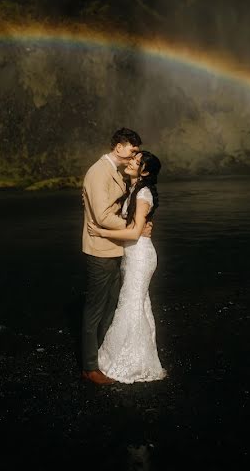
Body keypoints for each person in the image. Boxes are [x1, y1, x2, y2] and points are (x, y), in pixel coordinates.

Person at [87, 151, 167, 384]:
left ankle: (127, 362)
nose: (131, 162)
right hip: (132, 255)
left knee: (129, 305)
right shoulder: (131, 188)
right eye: (132, 158)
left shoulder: (142, 193)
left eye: (136, 161)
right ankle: (144, 356)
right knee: (139, 304)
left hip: (140, 256)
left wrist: (102, 232)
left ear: (145, 171)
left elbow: (134, 231)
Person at [80, 128, 151, 385]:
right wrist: (135, 227)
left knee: (110, 306)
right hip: (100, 249)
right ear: (118, 147)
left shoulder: (116, 172)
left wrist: (135, 224)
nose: (134, 156)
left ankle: (100, 358)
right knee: (95, 310)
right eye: (132, 150)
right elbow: (102, 217)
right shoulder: (98, 172)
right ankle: (89, 367)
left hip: (114, 248)